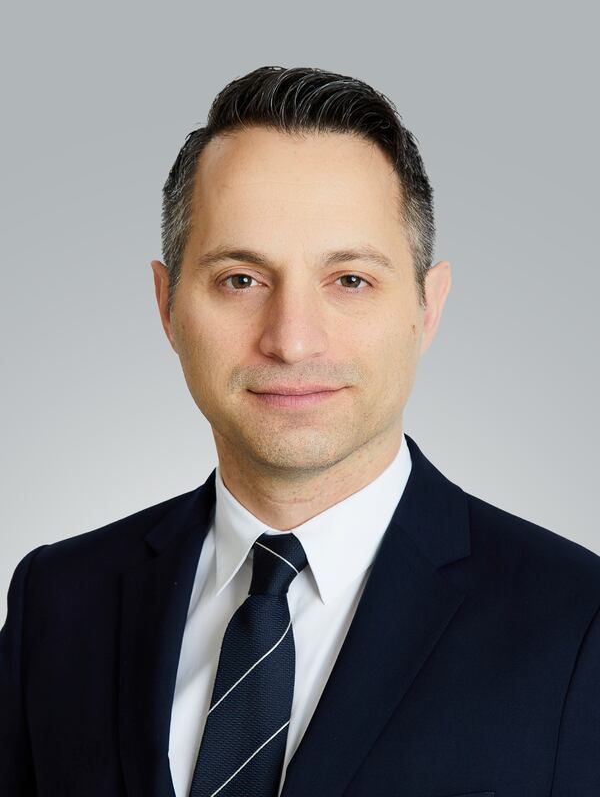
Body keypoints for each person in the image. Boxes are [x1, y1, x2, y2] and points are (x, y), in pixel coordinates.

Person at [1, 65, 599, 797]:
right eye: (240, 280)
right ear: (167, 306)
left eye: (349, 280)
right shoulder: (57, 603)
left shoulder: (579, 627)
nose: (291, 340)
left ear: (426, 307)